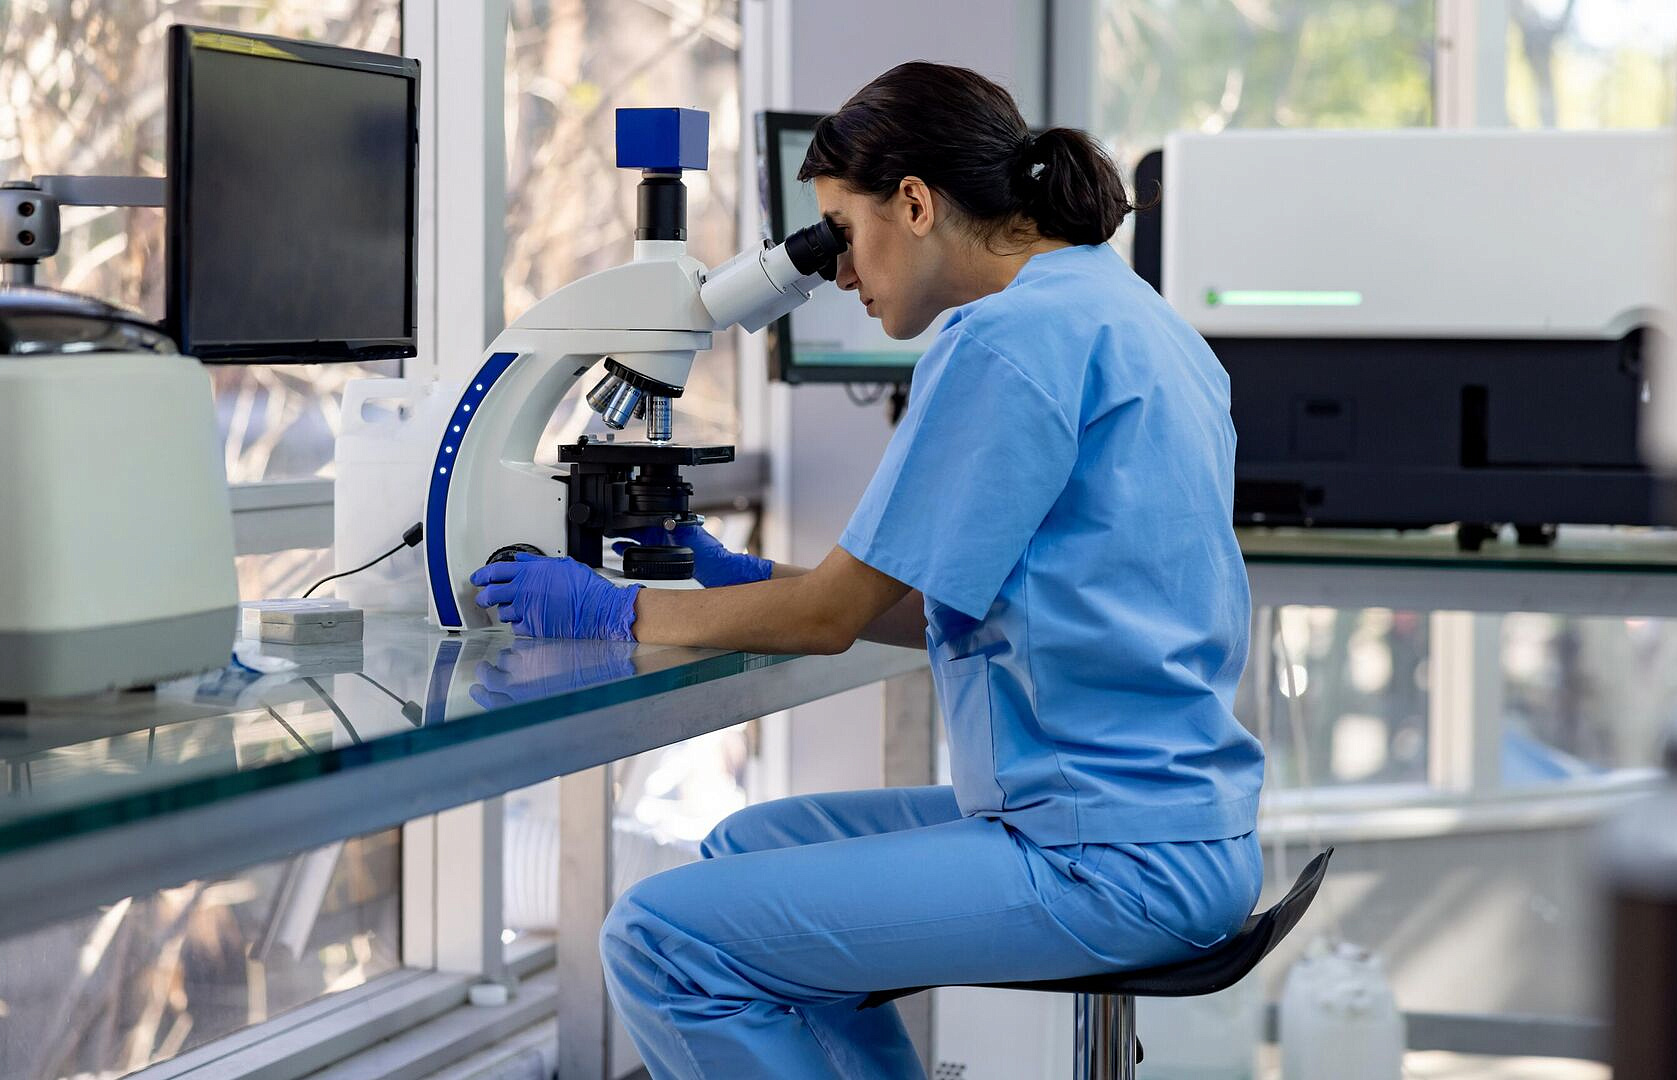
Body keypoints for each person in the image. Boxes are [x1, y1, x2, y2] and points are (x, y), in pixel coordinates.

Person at [474, 61, 1264, 1079]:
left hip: (1103, 856)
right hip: (1171, 823)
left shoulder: (1005, 340)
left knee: (660, 939)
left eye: (840, 232)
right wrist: (751, 575)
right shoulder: (1126, 311)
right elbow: (956, 606)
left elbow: (828, 620)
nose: (839, 273)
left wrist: (613, 611)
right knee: (748, 848)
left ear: (916, 204)